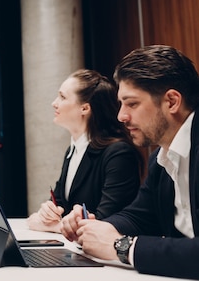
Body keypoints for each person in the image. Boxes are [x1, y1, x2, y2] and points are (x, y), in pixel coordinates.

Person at [61, 45, 199, 279]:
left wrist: (122, 247)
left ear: (172, 101)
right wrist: (96, 227)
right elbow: (138, 216)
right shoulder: (161, 157)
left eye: (132, 104)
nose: (121, 116)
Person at [26, 69, 143, 233]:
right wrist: (49, 211)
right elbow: (59, 201)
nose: (54, 103)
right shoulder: (72, 150)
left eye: (62, 97)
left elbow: (107, 219)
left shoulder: (118, 153)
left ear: (85, 108)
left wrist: (55, 227)